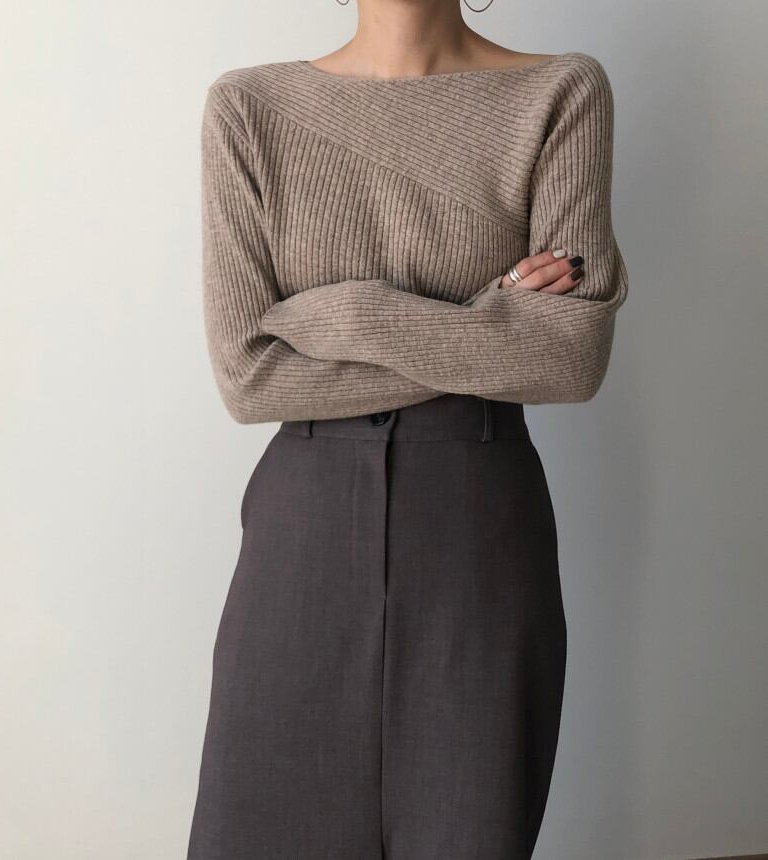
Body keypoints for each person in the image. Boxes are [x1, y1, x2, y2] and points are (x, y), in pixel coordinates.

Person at [188, 1, 628, 857]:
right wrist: (488, 318)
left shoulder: (559, 93)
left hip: (479, 526)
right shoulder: (249, 109)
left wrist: (345, 315)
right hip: (302, 530)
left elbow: (568, 361)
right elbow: (250, 377)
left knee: (467, 827)